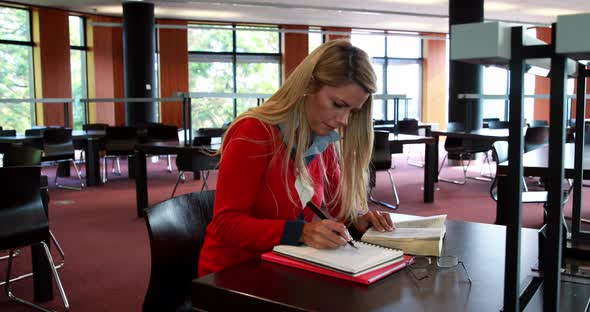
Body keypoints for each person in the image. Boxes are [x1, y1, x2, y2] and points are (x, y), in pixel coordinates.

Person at [198, 39, 394, 277]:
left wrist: (358, 220)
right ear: (309, 85)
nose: (343, 120)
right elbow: (226, 225)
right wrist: (301, 232)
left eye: (352, 111)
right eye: (338, 104)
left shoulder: (324, 139)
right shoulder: (253, 132)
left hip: (286, 266)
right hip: (234, 274)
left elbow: (338, 205)